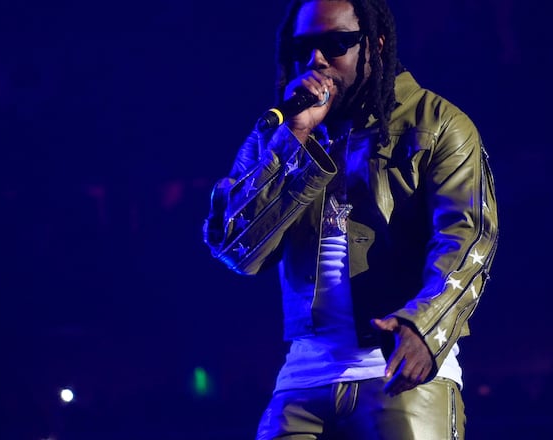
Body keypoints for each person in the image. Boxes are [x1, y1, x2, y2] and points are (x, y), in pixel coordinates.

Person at [203, 0, 499, 438]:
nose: (316, 60)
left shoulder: (437, 123)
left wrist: (427, 328)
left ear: (375, 46)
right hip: (303, 380)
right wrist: (294, 139)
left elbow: (468, 238)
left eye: (335, 44)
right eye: (303, 47)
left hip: (399, 372)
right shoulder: (284, 128)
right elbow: (236, 249)